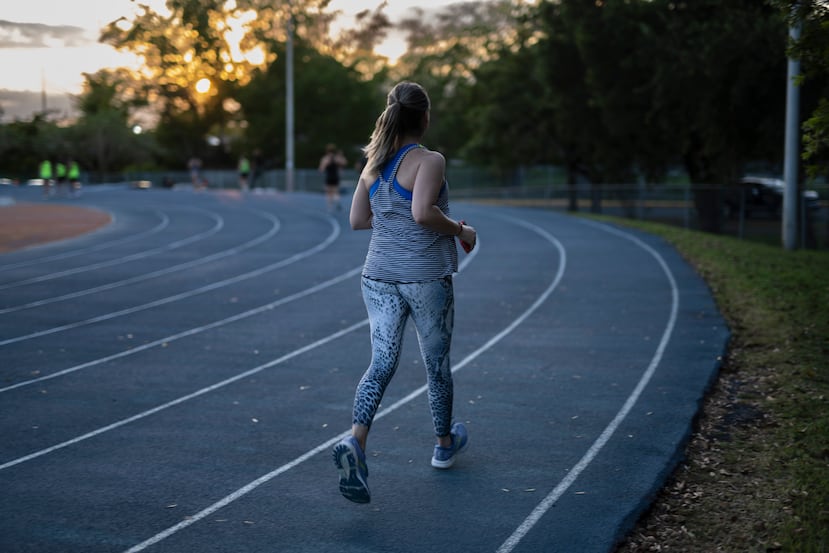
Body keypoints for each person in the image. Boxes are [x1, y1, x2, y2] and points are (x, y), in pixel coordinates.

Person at [333, 81, 477, 504]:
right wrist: (461, 230)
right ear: (425, 117)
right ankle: (443, 445)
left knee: (381, 362)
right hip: (425, 278)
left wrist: (391, 222)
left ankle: (357, 441)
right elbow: (422, 213)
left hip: (377, 276)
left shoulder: (372, 164)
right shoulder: (429, 160)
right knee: (436, 365)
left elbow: (358, 220)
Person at [319, 144, 347, 211]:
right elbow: (344, 163)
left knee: (329, 193)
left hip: (329, 177)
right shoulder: (336, 158)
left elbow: (321, 169)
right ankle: (337, 201)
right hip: (335, 177)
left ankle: (330, 207)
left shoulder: (326, 158)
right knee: (336, 191)